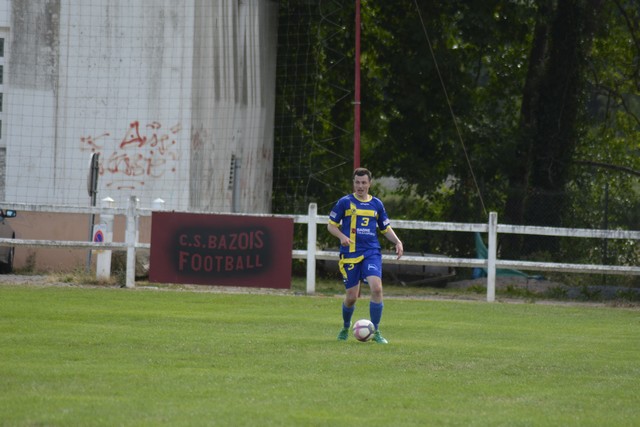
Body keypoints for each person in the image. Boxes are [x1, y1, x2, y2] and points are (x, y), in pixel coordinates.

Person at [327, 167, 403, 344]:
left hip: (371, 252)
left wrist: (397, 241)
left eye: (363, 183)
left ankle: (376, 331)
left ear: (370, 184)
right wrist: (342, 236)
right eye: (357, 182)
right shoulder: (345, 202)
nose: (360, 186)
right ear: (353, 183)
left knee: (377, 289)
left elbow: (385, 228)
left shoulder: (377, 204)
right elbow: (331, 225)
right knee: (351, 297)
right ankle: (346, 327)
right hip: (350, 254)